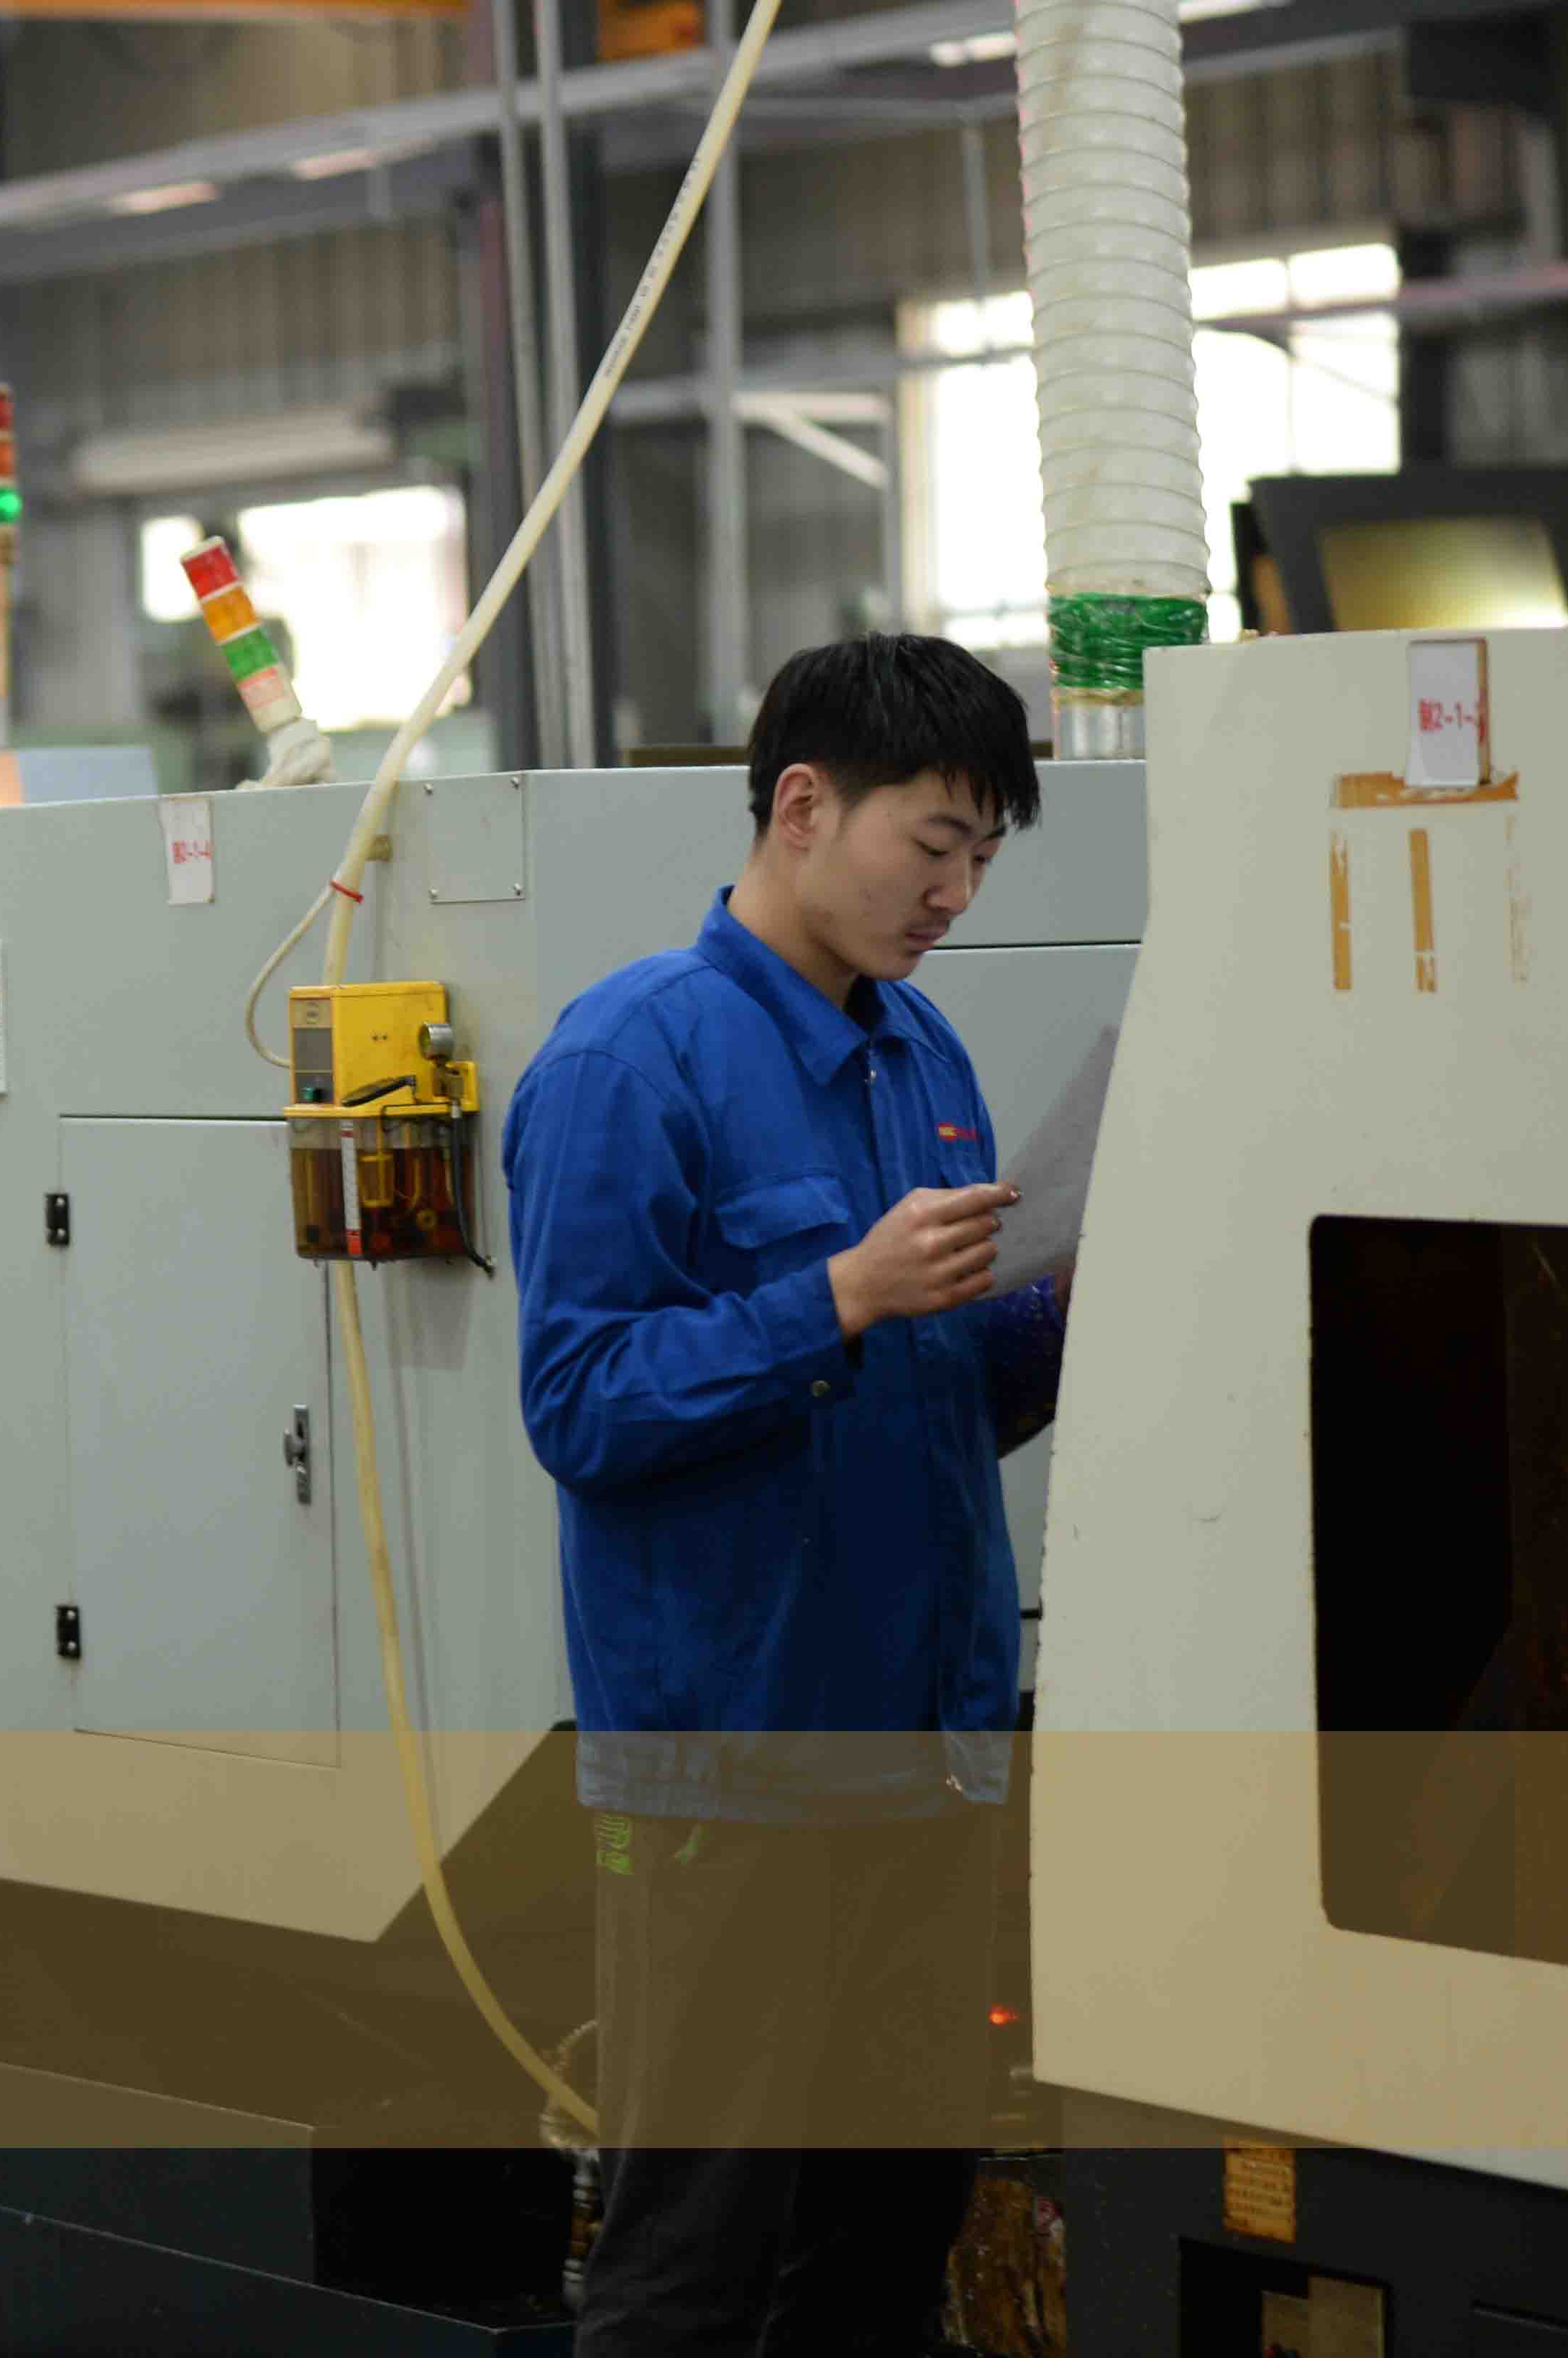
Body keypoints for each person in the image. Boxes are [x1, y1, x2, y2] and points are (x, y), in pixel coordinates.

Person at [499, 636, 1076, 2357]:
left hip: (929, 1745)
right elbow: (579, 1403)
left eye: (984, 857)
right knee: (695, 2254)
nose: (956, 894)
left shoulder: (925, 1054)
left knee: (886, 2241)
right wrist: (832, 1295)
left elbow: (939, 1397)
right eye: (934, 844)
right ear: (804, 805)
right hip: (733, 1768)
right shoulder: (629, 1058)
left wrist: (1076, 1311)